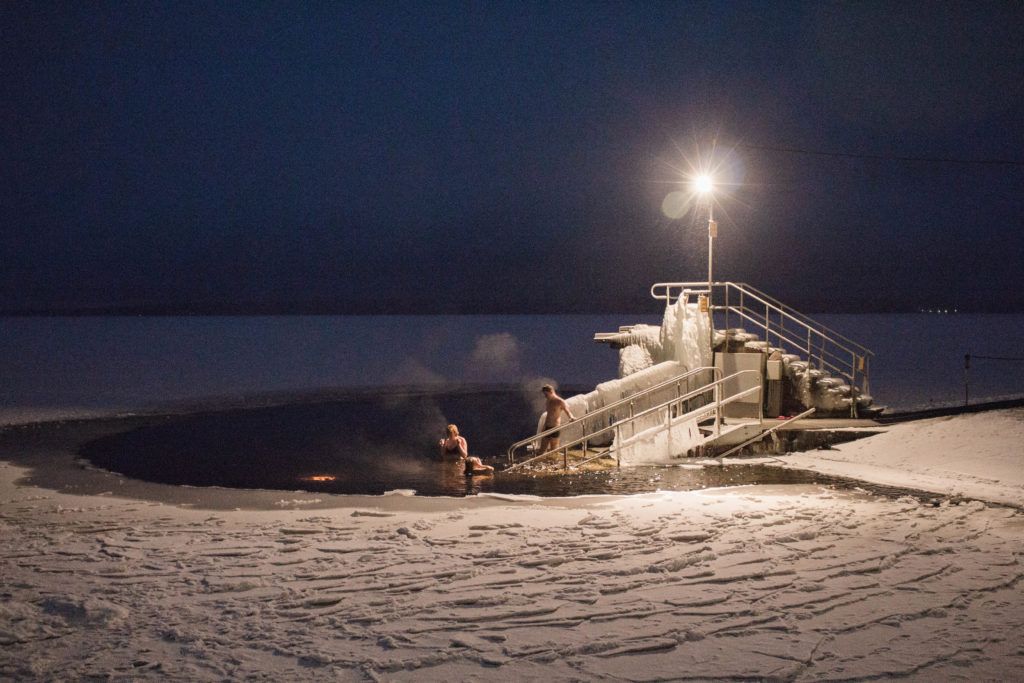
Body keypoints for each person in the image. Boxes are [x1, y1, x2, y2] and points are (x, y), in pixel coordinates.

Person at [539, 384, 575, 454]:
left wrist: (571, 417)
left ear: (551, 392)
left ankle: (554, 463)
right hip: (547, 427)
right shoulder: (548, 401)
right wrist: (543, 427)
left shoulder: (560, 401)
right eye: (544, 394)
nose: (545, 396)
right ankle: (543, 463)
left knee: (554, 450)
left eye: (546, 394)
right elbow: (548, 415)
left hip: (555, 427)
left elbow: (567, 411)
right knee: (542, 449)